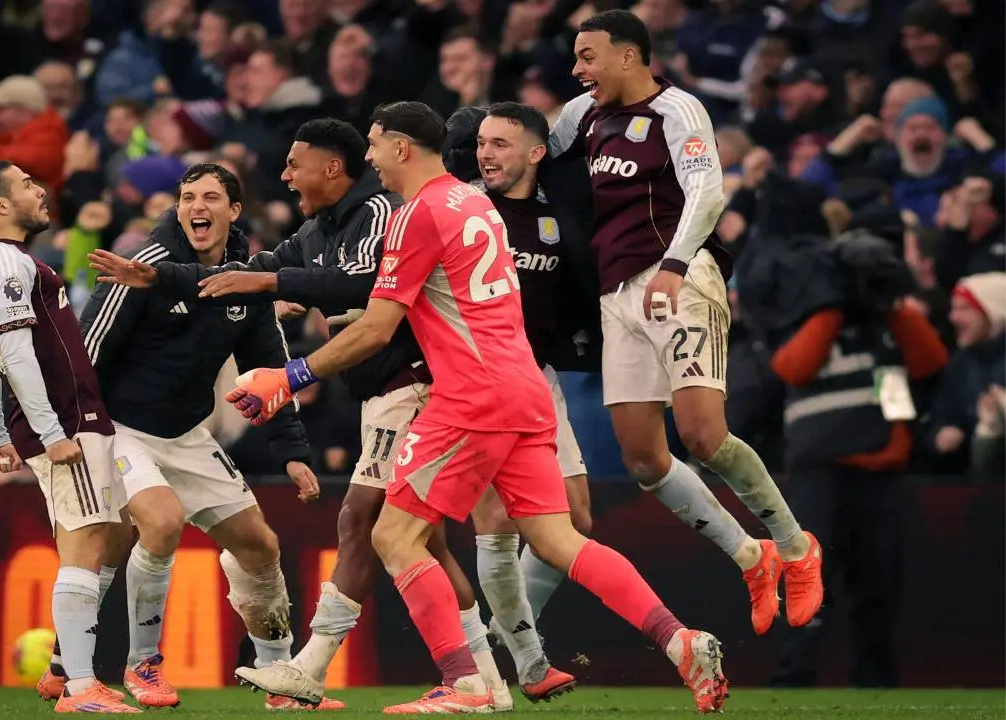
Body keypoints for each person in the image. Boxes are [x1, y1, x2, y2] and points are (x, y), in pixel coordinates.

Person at [228, 101, 728, 714]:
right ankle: (680, 640)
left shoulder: (419, 214)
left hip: (471, 395)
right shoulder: (477, 205)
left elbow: (377, 328)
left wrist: (289, 374)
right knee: (556, 540)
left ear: (404, 149)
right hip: (524, 386)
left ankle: (465, 683)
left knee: (394, 535)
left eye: (377, 146)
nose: (371, 160)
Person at [89, 121, 515, 709]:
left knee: (365, 524)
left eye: (295, 164)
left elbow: (356, 291)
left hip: (414, 384)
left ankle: (313, 670)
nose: (286, 176)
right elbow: (230, 292)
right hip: (134, 427)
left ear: (330, 168)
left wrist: (289, 441)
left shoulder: (377, 214)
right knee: (426, 538)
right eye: (188, 197)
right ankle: (488, 678)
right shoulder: (307, 233)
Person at [548, 9, 824, 636]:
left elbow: (708, 191)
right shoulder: (580, 115)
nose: (577, 69)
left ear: (629, 55)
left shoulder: (678, 110)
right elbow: (535, 156)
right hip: (617, 294)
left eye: (588, 56)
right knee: (644, 460)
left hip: (679, 278)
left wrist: (674, 264)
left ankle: (796, 545)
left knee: (702, 435)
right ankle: (752, 557)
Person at [78, 163, 338, 712]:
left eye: (210, 197)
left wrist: (292, 453)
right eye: (187, 196)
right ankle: (142, 665)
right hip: (122, 428)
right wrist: (77, 432)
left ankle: (277, 675)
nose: (197, 206)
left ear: (233, 211)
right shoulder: (143, 266)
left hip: (187, 434)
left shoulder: (246, 280)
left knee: (260, 546)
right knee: (161, 522)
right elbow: (90, 349)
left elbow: (269, 367)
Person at [0, 161, 137, 714]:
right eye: (27, 185)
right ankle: (82, 689)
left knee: (115, 531)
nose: (40, 191)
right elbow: (11, 353)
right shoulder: (6, 264)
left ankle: (64, 669)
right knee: (84, 542)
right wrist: (51, 433)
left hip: (68, 417)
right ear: (0, 206)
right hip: (64, 420)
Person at [453, 101, 597, 698]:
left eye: (501, 144)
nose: (486, 154)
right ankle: (529, 661)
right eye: (482, 143)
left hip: (537, 377)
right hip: (473, 377)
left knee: (578, 521)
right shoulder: (460, 205)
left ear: (537, 153)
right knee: (498, 523)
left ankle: (505, 628)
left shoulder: (558, 215)